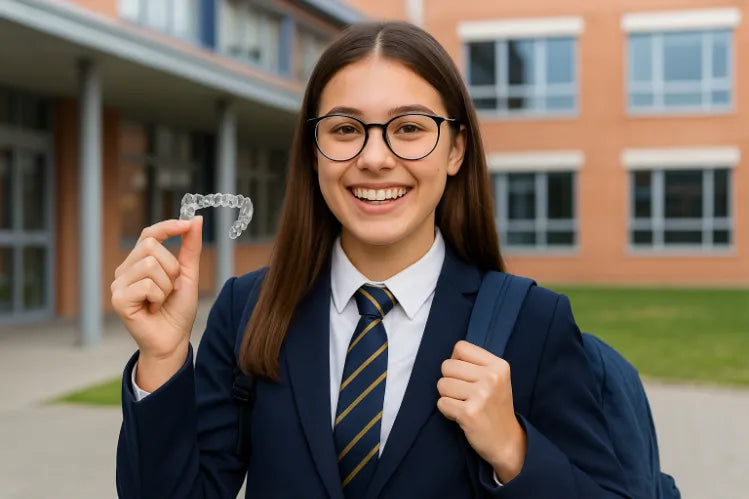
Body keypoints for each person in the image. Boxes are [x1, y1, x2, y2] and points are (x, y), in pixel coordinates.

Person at [111, 21, 631, 499]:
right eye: (344, 129)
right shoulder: (249, 311)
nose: (375, 158)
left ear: (455, 150)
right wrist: (161, 360)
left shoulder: (534, 324)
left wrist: (515, 450)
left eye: (409, 128)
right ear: (314, 150)